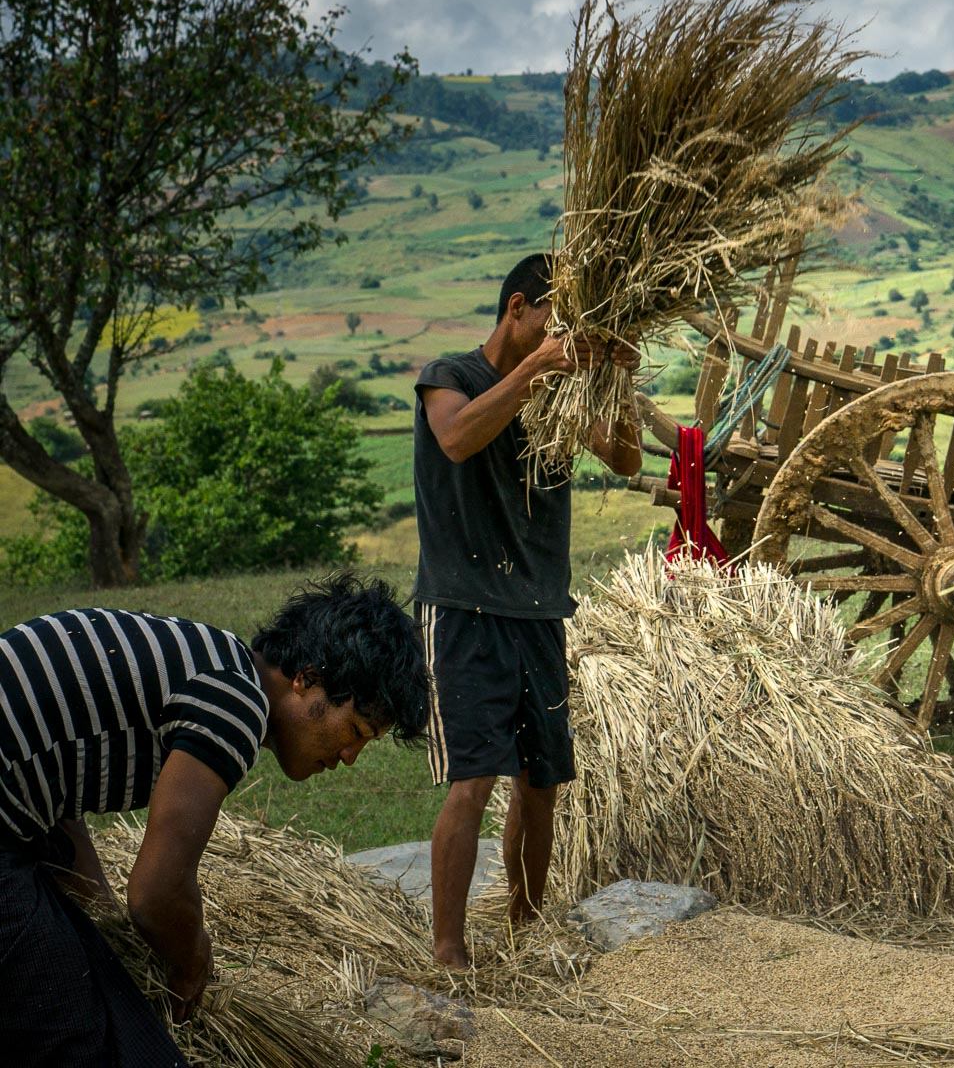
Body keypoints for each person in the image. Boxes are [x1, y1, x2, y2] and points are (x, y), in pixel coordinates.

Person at [0, 574, 428, 1064]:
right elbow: (156, 893)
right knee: (88, 1040)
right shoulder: (235, 705)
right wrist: (192, 959)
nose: (350, 756)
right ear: (307, 678)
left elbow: (53, 784)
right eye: (354, 730)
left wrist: (104, 922)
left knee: (84, 964)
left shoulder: (213, 659)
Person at [414, 253, 641, 968]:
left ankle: (523, 933)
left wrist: (617, 377)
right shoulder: (449, 377)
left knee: (541, 783)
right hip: (464, 609)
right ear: (518, 309)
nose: (561, 338)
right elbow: (457, 438)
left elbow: (626, 458)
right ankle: (448, 953)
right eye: (553, 321)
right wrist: (538, 369)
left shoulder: (558, 394)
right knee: (474, 779)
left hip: (539, 609)